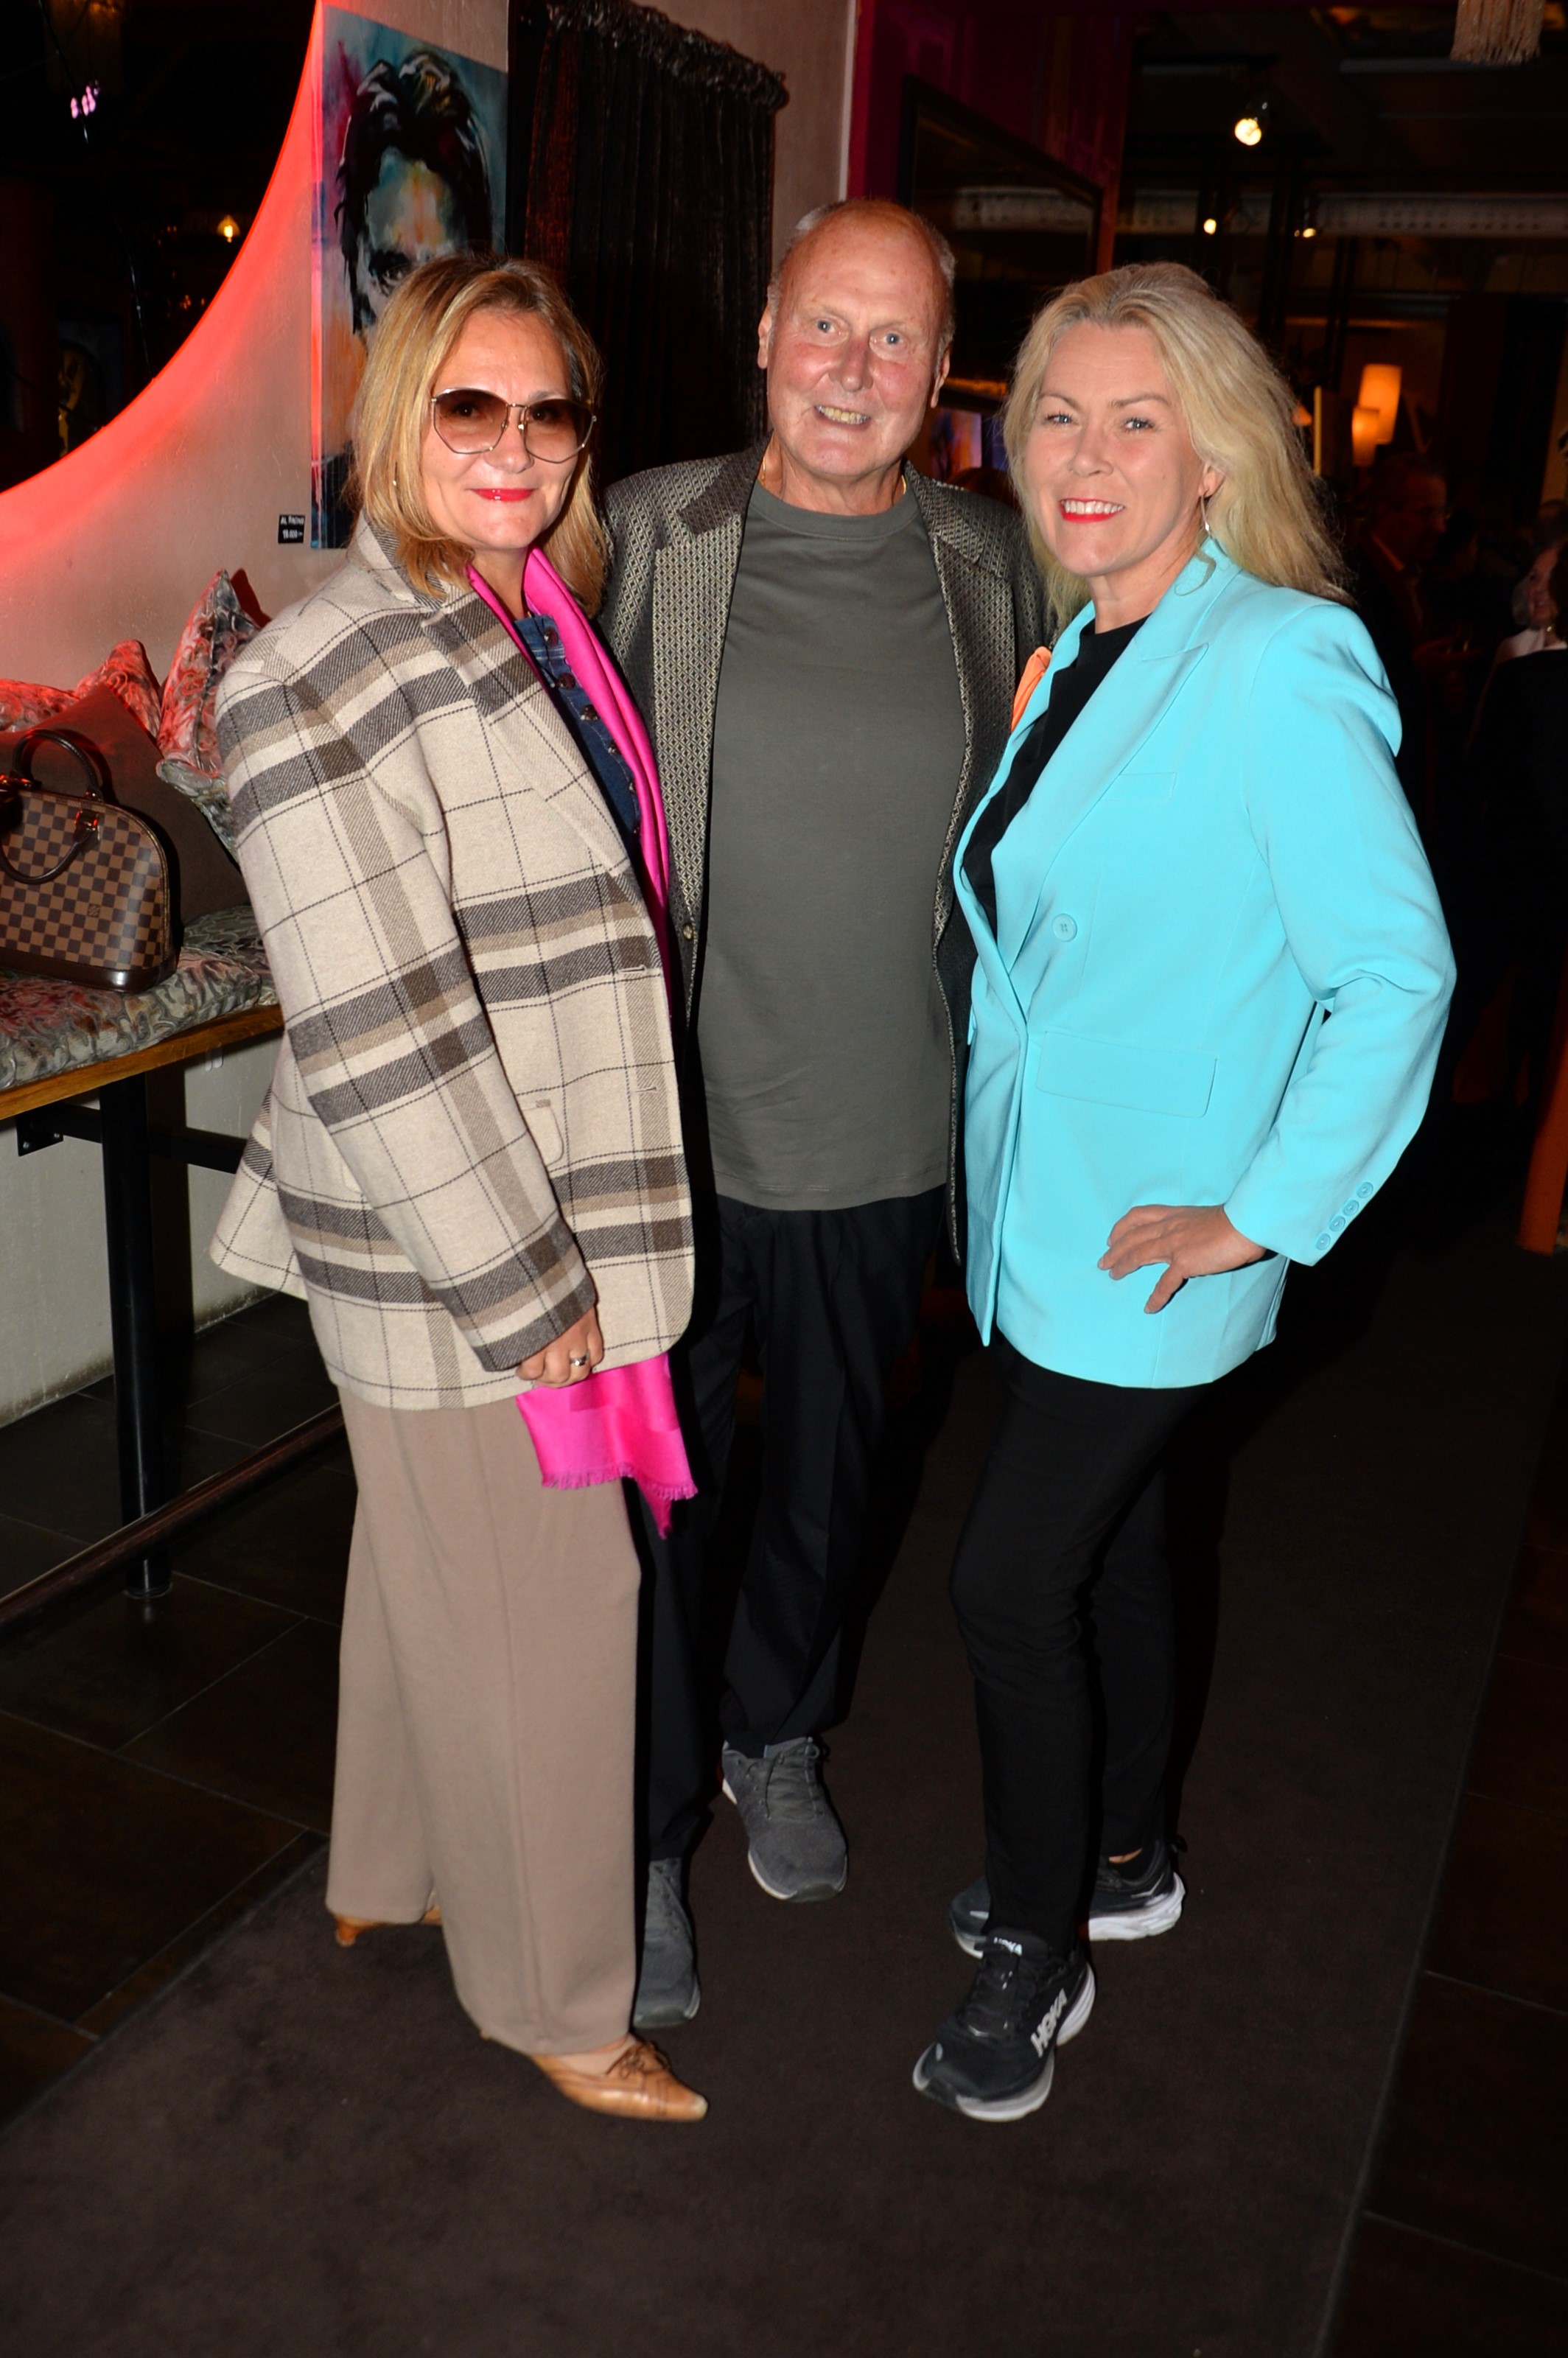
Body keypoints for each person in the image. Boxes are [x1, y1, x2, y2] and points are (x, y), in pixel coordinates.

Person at [914, 262, 1454, 2122]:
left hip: (1160, 1236)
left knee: (1005, 1584)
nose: (1085, 454)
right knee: (1121, 1546)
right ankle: (1124, 1857)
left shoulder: (1276, 655)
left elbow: (1394, 971)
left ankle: (1036, 1949)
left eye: (1135, 420)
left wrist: (1261, 1212)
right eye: (1057, 415)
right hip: (1049, 1208)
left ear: (1214, 456)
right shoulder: (1087, 641)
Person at [211, 253, 706, 2124]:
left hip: (515, 1193)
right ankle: (556, 2001)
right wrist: (530, 1285)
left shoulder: (531, 616)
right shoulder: (314, 672)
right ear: (392, 418)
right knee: (552, 1599)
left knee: (427, 1554)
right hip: (469, 1234)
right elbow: (381, 1028)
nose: (514, 443)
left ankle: (387, 1863)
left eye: (547, 408)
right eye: (467, 405)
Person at [598, 197, 1046, 2029]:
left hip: (884, 1129)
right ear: (767, 331)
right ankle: (641, 1842)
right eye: (826, 326)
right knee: (654, 1510)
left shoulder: (990, 560)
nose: (852, 370)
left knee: (834, 1481)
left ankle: (776, 1730)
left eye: (896, 340)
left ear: (940, 381)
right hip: (670, 1132)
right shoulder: (650, 532)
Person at [313, 50, 495, 547]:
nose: (420, 313)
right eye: (394, 271)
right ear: (355, 287)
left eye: (443, 276)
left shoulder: (514, 496)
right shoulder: (326, 502)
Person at [1348, 452, 1455, 817]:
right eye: (1427, 514)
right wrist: (1413, 672)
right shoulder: (1354, 578)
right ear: (1384, 511)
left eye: (1444, 513)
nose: (1440, 527)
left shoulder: (1421, 578)